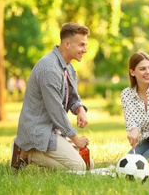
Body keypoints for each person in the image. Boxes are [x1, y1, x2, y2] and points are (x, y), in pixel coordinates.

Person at [11, 22, 93, 172]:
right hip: (39, 131)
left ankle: (34, 152)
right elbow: (55, 110)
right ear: (67, 44)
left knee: (88, 164)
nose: (85, 50)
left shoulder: (68, 66)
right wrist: (75, 138)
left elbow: (73, 97)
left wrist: (80, 110)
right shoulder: (49, 68)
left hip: (54, 131)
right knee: (79, 167)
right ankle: (26, 153)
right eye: (82, 45)